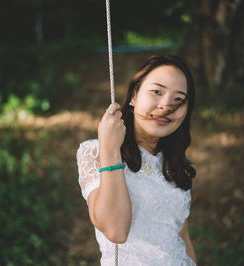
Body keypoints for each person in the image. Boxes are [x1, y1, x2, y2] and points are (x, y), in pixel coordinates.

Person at [76, 55, 198, 265]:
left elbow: (182, 236)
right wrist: (110, 148)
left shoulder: (176, 164)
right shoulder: (95, 151)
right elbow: (115, 230)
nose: (166, 105)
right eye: (157, 92)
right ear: (134, 95)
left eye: (179, 99)